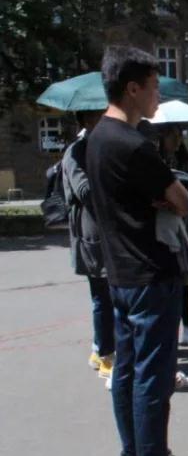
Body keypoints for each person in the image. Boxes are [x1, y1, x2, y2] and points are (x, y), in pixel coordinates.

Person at [85, 46, 188, 456]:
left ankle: (135, 455)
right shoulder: (134, 144)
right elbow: (182, 201)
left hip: (119, 270)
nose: (159, 95)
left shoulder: (98, 138)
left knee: (128, 368)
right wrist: (167, 197)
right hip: (150, 269)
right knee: (153, 375)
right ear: (132, 88)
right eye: (155, 86)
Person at [61, 110, 113, 384]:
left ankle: (99, 347)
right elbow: (84, 190)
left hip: (107, 234)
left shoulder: (100, 147)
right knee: (103, 297)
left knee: (107, 296)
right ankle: (106, 356)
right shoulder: (76, 151)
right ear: (86, 121)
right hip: (91, 235)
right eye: (97, 117)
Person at [156, 126, 188, 346]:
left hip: (184, 227)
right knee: (171, 283)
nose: (177, 140)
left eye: (179, 136)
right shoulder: (154, 161)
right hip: (165, 228)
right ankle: (171, 331)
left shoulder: (186, 163)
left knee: (185, 282)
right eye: (172, 136)